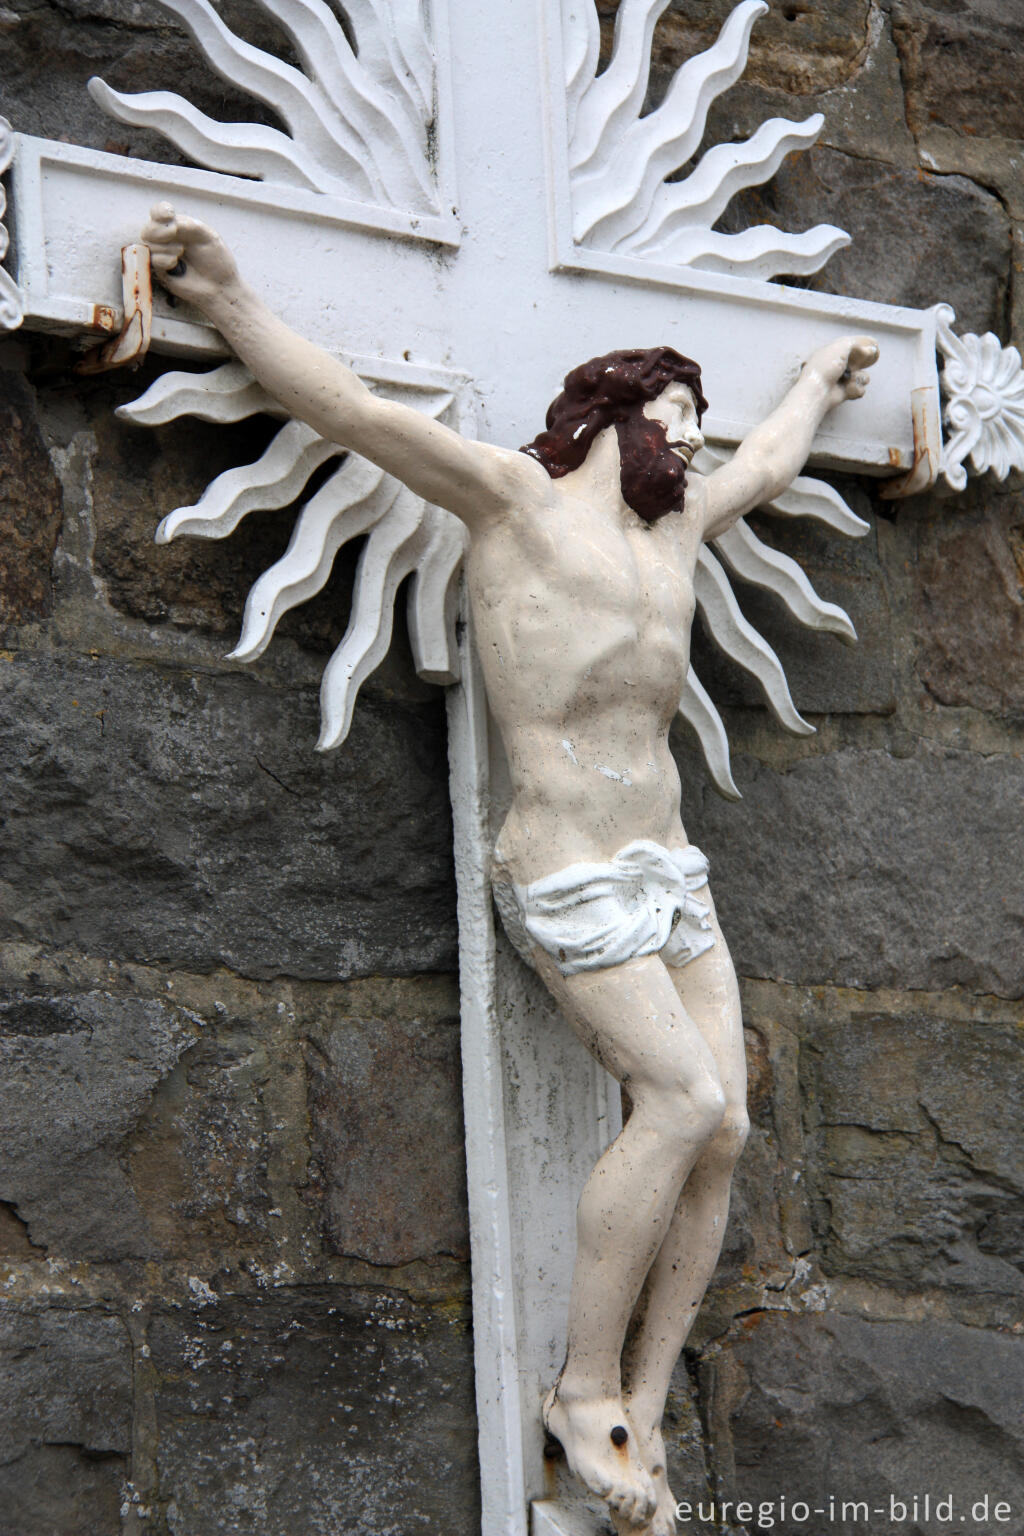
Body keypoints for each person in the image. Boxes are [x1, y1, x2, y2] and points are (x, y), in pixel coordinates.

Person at [142, 202, 877, 1535]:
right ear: (606, 419)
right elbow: (362, 415)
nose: (693, 440)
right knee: (678, 1096)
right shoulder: (516, 498)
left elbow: (769, 463)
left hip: (666, 863)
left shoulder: (679, 526)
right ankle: (579, 1382)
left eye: (697, 420)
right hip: (569, 860)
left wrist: (820, 385)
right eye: (673, 417)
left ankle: (637, 1399)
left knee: (727, 1125)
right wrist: (232, 303)